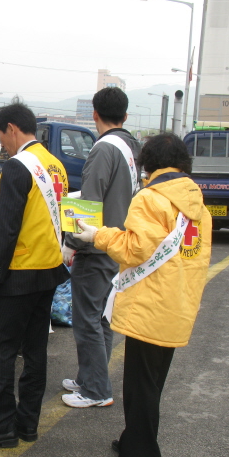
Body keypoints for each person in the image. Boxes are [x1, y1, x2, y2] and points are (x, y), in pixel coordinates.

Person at [72, 133, 211, 457]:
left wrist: (97, 235)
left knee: (140, 387)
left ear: (150, 163)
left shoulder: (152, 199)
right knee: (152, 383)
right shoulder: (196, 201)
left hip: (150, 306)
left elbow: (134, 249)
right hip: (177, 305)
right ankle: (133, 438)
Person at [0, 100, 70, 449]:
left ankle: (1, 426)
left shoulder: (18, 168)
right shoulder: (55, 166)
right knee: (35, 351)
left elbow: (6, 228)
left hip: (19, 273)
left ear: (11, 129)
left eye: (0, 135)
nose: (1, 144)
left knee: (0, 351)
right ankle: (28, 424)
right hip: (49, 271)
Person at [61, 87, 142, 408]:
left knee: (87, 320)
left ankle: (96, 390)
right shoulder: (132, 148)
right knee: (102, 318)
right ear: (124, 116)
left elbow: (89, 204)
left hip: (96, 247)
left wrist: (69, 242)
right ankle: (92, 378)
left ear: (95, 114)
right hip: (118, 243)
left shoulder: (103, 149)